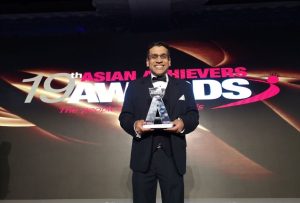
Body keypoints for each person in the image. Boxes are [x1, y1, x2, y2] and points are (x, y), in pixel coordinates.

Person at [119, 41, 199, 203]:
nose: (159, 60)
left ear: (169, 61)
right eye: (154, 57)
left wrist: (183, 123)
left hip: (172, 156)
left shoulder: (184, 87)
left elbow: (193, 115)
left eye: (163, 56)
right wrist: (135, 125)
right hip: (143, 157)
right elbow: (125, 116)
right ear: (147, 62)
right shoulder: (134, 87)